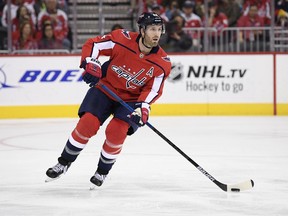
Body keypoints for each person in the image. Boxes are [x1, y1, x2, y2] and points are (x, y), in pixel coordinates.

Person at [45, 12, 171, 187]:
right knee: (87, 124)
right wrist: (91, 63)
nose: (156, 34)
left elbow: (152, 90)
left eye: (159, 29)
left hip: (131, 100)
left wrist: (143, 108)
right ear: (142, 30)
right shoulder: (122, 38)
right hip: (106, 89)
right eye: (152, 29)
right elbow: (94, 44)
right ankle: (63, 163)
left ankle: (102, 172)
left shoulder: (163, 63)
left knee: (116, 132)